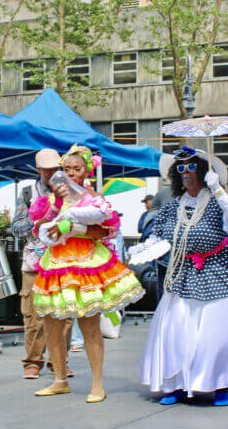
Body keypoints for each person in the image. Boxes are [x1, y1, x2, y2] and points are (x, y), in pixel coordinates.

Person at [136, 146, 228, 406]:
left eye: (191, 167)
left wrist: (219, 191)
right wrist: (146, 249)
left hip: (215, 273)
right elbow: (160, 235)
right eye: (181, 168)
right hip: (181, 274)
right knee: (175, 332)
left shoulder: (218, 203)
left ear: (202, 170)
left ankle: (219, 385)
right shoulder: (172, 206)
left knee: (215, 334)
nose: (186, 173)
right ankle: (175, 385)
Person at [30, 144, 144, 402]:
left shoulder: (94, 199)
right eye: (66, 169)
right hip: (56, 264)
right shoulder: (53, 197)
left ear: (87, 170)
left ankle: (97, 384)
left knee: (89, 324)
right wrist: (53, 213)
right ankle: (59, 379)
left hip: (86, 263)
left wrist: (74, 227)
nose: (71, 174)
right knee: (51, 323)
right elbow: (39, 227)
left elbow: (106, 232)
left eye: (77, 169)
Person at [11, 149, 74, 380]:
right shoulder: (27, 192)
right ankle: (33, 361)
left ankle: (60, 361)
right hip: (34, 259)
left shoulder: (70, 190)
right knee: (33, 312)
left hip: (63, 257)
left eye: (55, 169)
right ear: (38, 170)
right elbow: (16, 228)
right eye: (47, 169)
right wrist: (38, 220)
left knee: (65, 311)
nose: (51, 173)